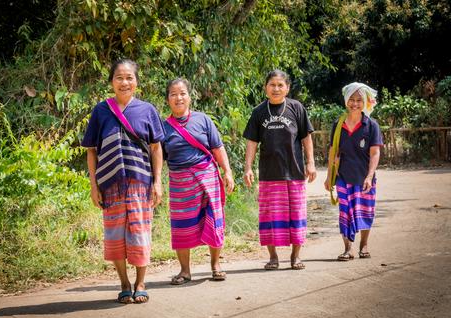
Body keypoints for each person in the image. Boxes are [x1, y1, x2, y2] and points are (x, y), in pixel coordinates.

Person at [81, 59, 164, 303]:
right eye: (119, 77)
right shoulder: (101, 111)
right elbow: (91, 151)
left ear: (137, 82)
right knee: (115, 235)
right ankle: (124, 283)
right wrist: (94, 186)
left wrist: (158, 181)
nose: (124, 82)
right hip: (110, 185)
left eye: (129, 77)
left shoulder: (147, 110)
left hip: (140, 183)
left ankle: (140, 282)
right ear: (111, 82)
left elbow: (156, 147)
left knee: (140, 233)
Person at [162, 78, 234, 285]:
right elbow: (158, 157)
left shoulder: (203, 120)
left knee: (214, 220)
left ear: (190, 97)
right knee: (181, 225)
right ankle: (185, 271)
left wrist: (227, 171)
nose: (179, 97)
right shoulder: (163, 128)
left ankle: (215, 266)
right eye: (174, 94)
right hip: (180, 183)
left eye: (183, 93)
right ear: (168, 99)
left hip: (208, 177)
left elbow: (218, 148)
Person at [243, 69, 316, 270]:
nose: (276, 88)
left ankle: (295, 257)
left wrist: (310, 162)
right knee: (269, 216)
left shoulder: (297, 108)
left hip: (294, 171)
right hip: (269, 174)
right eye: (272, 85)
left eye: (280, 85)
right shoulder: (259, 112)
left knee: (297, 215)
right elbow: (252, 141)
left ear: (287, 88)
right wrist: (248, 167)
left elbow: (306, 137)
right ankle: (273, 257)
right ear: (266, 88)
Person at [324, 82, 383, 261]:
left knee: (366, 210)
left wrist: (370, 175)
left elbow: (375, 152)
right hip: (343, 176)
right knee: (345, 212)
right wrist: (329, 176)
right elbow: (333, 151)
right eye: (351, 99)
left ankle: (363, 245)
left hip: (364, 177)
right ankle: (347, 249)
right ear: (346, 101)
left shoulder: (371, 125)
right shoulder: (338, 124)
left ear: (365, 102)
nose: (355, 103)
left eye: (359, 100)